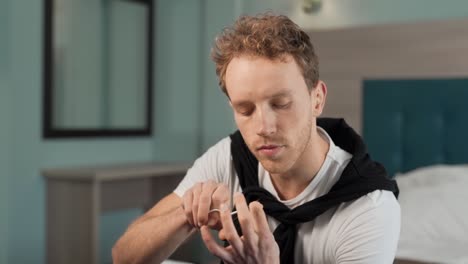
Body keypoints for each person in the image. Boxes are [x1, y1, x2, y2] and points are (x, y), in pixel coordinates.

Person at [112, 13, 400, 264]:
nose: (263, 127)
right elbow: (122, 258)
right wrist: (187, 215)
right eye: (245, 110)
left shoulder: (369, 208)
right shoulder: (228, 158)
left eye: (280, 104)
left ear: (317, 99)